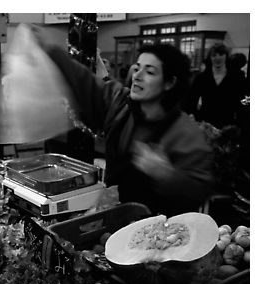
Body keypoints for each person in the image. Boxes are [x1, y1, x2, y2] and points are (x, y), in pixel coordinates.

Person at [32, 27, 214, 216]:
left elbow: (200, 190)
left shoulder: (185, 132)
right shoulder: (120, 103)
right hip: (117, 217)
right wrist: (51, 51)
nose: (137, 75)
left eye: (150, 72)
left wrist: (167, 174)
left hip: (163, 228)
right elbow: (85, 82)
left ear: (170, 83)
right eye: (137, 68)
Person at [184, 43, 248, 130]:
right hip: (206, 123)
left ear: (226, 56)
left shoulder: (237, 76)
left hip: (228, 124)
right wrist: (196, 117)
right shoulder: (201, 78)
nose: (217, 58)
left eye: (221, 54)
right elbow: (191, 100)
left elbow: (243, 100)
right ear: (210, 58)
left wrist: (240, 121)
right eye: (214, 55)